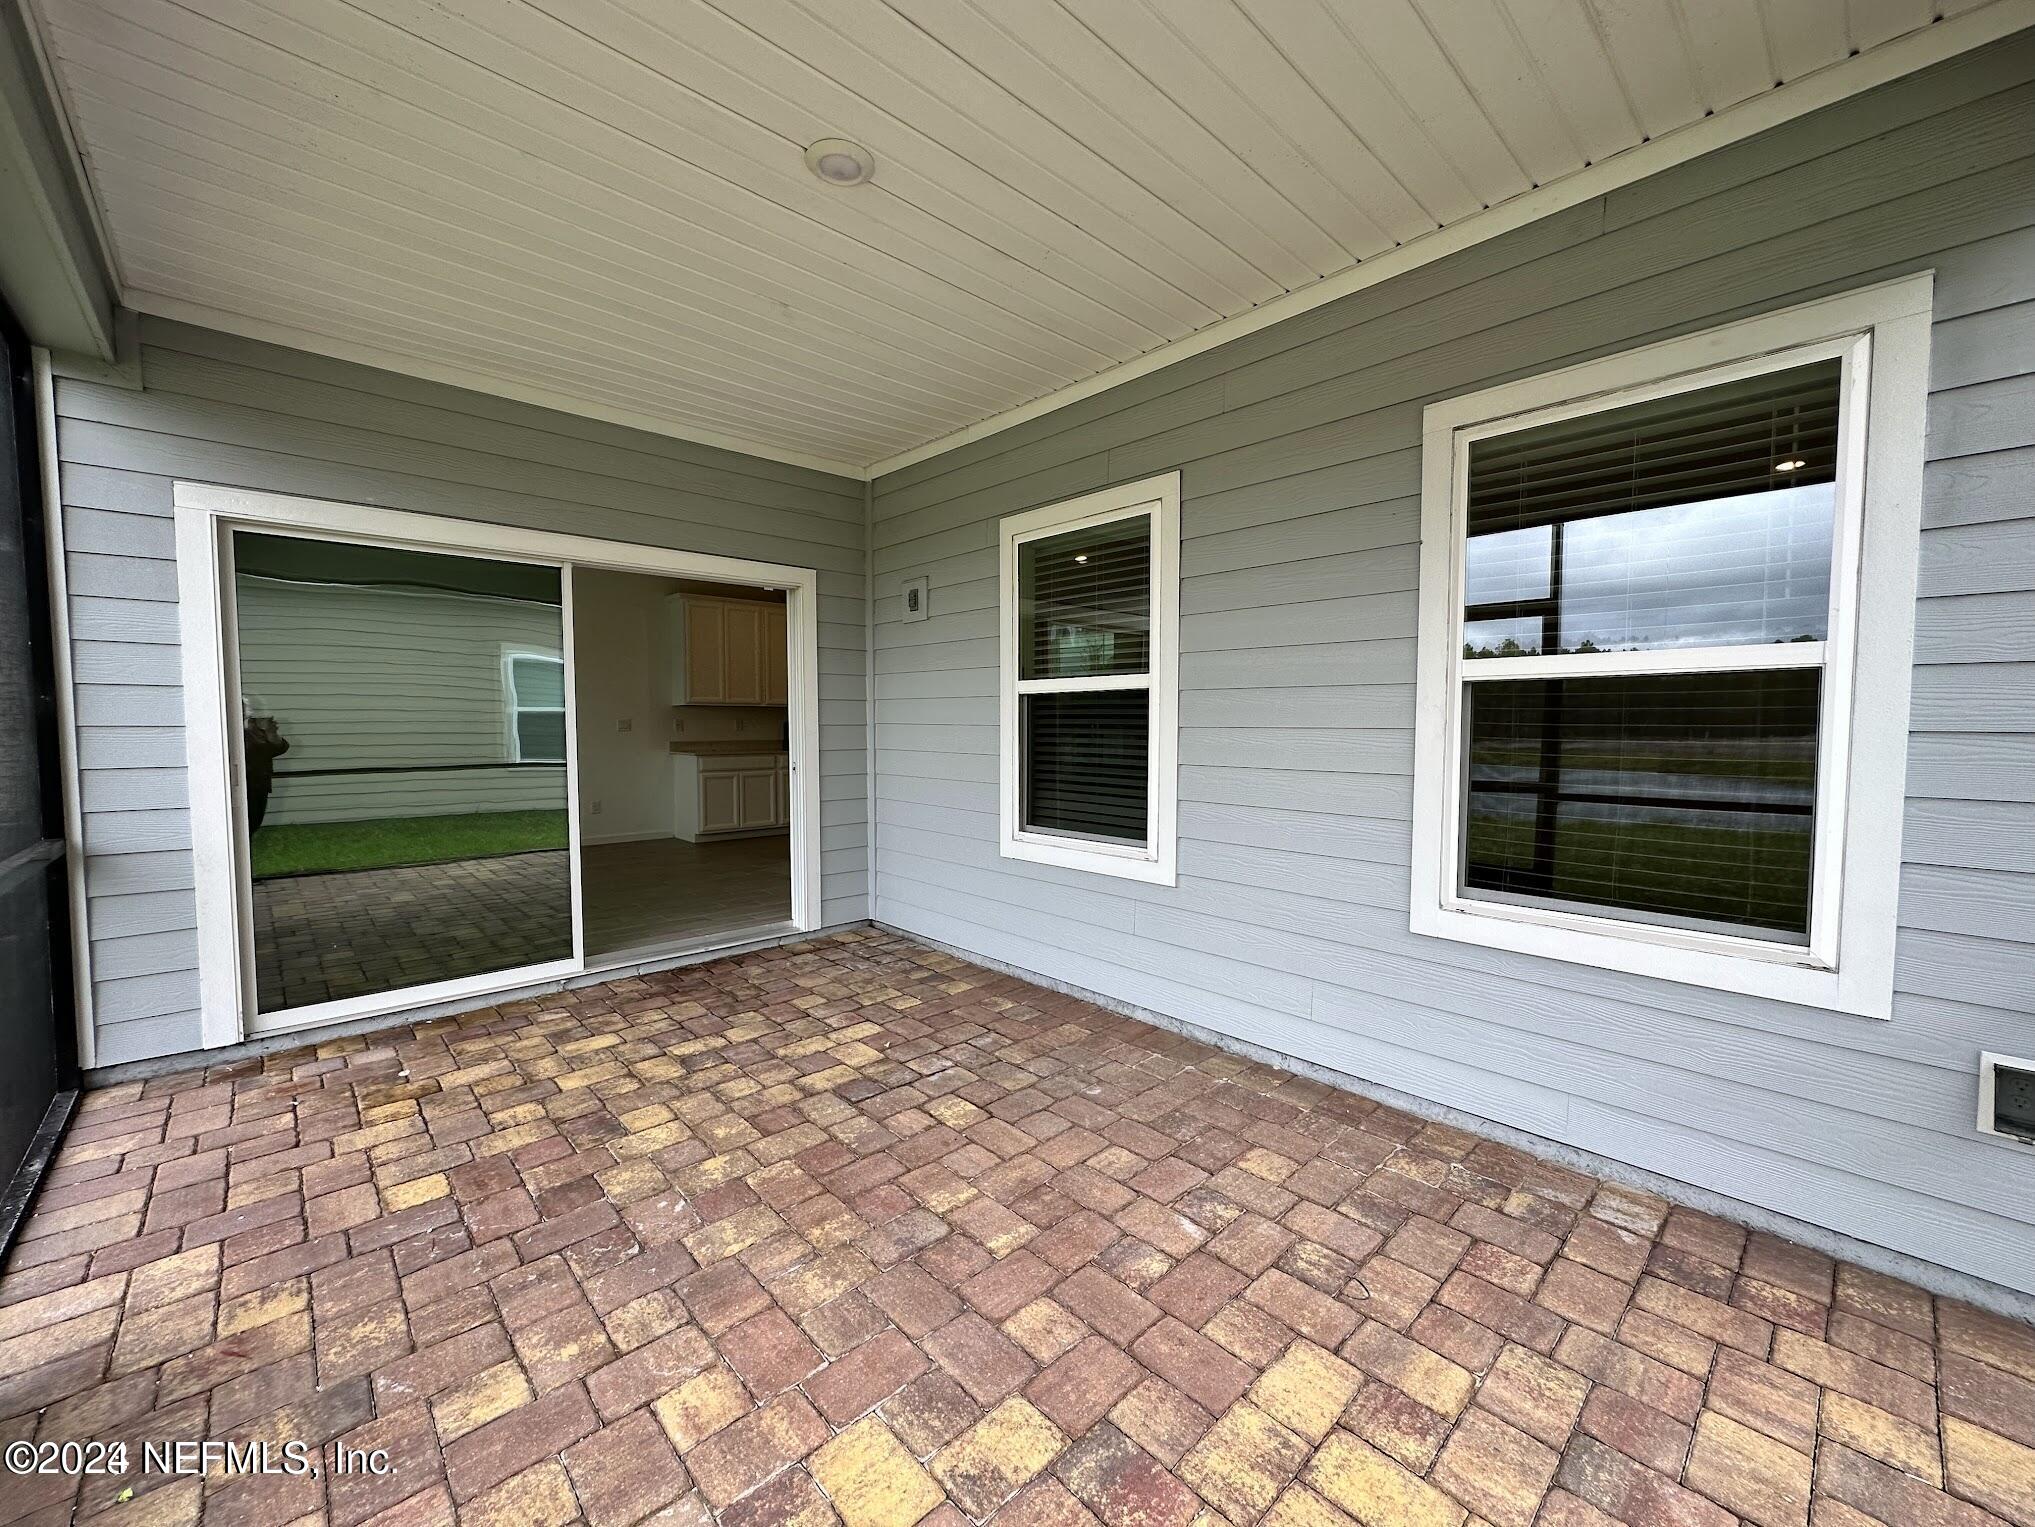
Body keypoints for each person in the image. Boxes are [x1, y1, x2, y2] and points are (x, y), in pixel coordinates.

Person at [242, 698, 290, 833]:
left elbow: (280, 748)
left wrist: (271, 733)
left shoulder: (255, 726)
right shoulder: (230, 728)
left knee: (254, 823)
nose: (249, 710)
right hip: (242, 784)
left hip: (260, 784)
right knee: (244, 826)